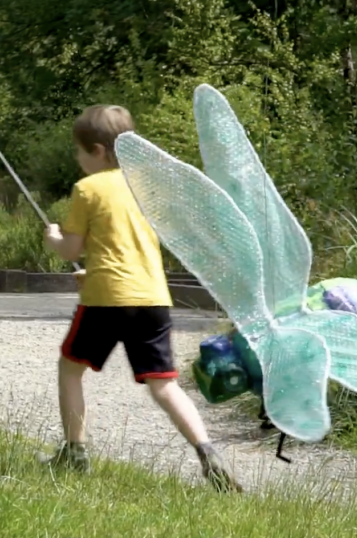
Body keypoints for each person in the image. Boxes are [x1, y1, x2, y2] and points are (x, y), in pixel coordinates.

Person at [40, 104, 242, 492]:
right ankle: (207, 452)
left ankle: (75, 452)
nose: (78, 159)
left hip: (105, 300)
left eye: (79, 151)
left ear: (98, 151)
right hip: (152, 299)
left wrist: (54, 238)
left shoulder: (88, 188)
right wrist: (94, 272)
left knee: (70, 368)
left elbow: (71, 249)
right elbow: (126, 247)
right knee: (163, 384)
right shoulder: (147, 188)